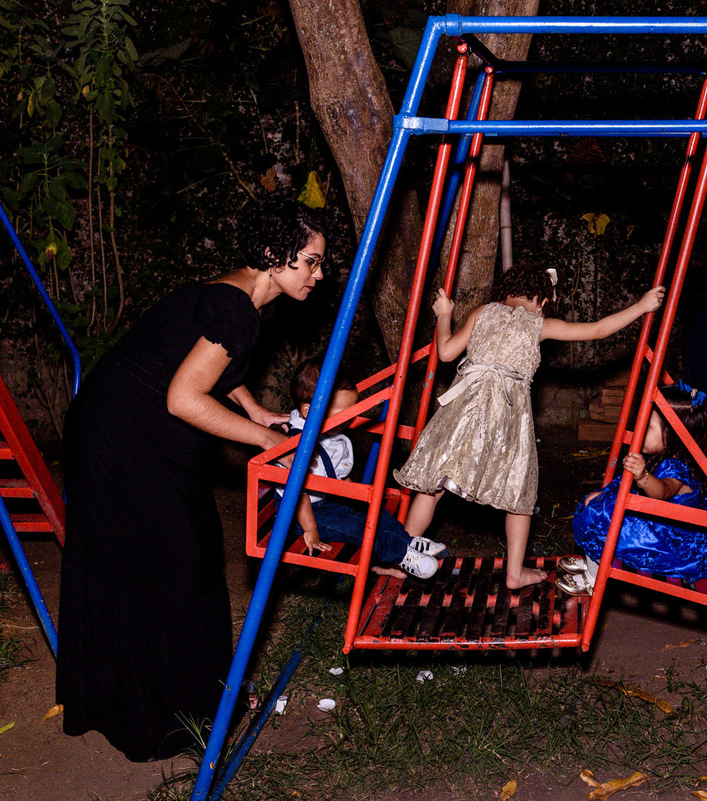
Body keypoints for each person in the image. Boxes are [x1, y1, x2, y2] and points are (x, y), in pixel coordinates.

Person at [57, 195, 330, 761]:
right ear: (274, 256)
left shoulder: (254, 301)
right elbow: (184, 396)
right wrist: (264, 438)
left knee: (176, 557)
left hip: (128, 424)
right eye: (310, 260)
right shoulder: (235, 307)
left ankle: (181, 702)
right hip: (123, 434)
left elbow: (214, 367)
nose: (318, 274)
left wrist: (255, 411)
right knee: (180, 561)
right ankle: (174, 718)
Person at [393, 266, 665, 590]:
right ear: (542, 300)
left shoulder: (483, 312)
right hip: (506, 419)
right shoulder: (540, 324)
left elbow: (446, 351)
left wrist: (444, 314)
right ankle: (514, 572)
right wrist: (643, 305)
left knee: (432, 485)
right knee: (519, 494)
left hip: (461, 412)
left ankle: (400, 555)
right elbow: (598, 329)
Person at [281, 357, 447, 580]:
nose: (348, 421)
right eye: (343, 415)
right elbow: (296, 492)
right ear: (309, 411)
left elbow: (338, 475)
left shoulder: (330, 435)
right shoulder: (291, 446)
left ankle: (407, 541)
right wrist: (310, 529)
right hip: (304, 515)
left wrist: (357, 498)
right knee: (360, 528)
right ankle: (402, 555)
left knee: (373, 510)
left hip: (331, 501)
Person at [559, 383, 707, 595]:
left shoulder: (679, 466)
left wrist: (643, 475)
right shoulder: (661, 455)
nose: (639, 430)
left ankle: (593, 578)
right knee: (598, 505)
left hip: (670, 541)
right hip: (656, 522)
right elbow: (630, 489)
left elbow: (663, 492)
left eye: (648, 426)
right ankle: (594, 562)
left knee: (603, 518)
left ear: (673, 436)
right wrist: (606, 494)